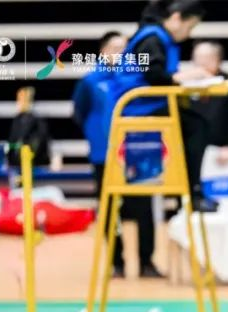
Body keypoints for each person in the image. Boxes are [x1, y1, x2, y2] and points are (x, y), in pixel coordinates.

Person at [107, 0, 209, 279]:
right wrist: (185, 77)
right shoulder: (152, 38)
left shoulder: (156, 37)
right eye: (189, 27)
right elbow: (154, 75)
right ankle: (192, 191)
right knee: (197, 125)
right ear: (176, 18)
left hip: (148, 109)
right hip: (139, 112)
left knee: (194, 124)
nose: (188, 34)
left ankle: (189, 193)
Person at [72, 31, 134, 279]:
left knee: (141, 208)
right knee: (110, 210)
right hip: (103, 155)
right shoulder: (90, 82)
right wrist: (97, 135)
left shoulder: (134, 79)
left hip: (133, 154)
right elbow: (79, 113)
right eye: (115, 48)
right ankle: (117, 262)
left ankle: (147, 261)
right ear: (103, 51)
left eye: (125, 49)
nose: (121, 53)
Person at [186, 41, 228, 184]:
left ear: (218, 60)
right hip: (191, 151)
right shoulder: (185, 84)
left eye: (205, 58)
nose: (200, 63)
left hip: (220, 152)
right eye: (197, 58)